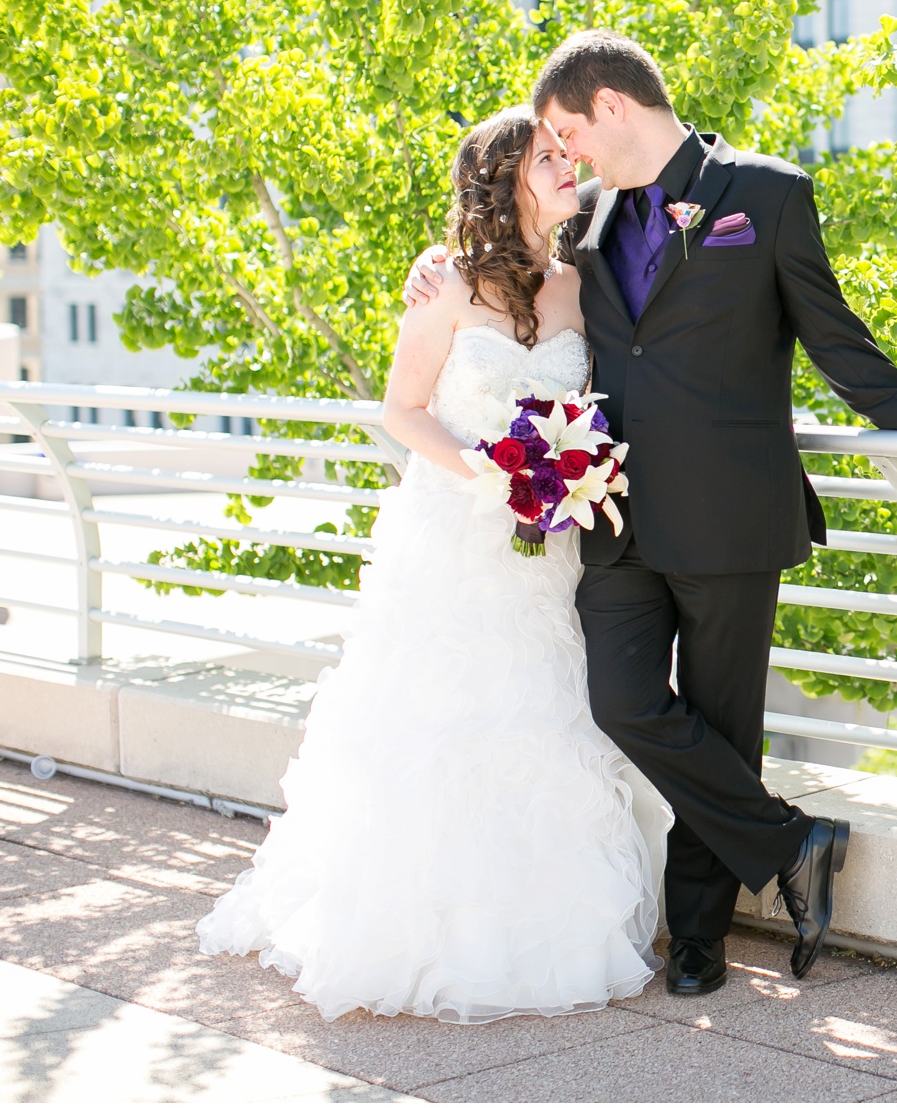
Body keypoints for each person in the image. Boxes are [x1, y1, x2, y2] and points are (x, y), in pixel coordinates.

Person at [402, 29, 897, 996]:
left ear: (611, 108)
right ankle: (794, 842)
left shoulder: (769, 194)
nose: (566, 155)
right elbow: (508, 271)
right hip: (609, 516)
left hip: (732, 510)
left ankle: (700, 938)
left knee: (721, 719)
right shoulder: (581, 228)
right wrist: (433, 263)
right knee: (621, 702)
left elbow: (835, 337)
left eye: (566, 133)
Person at [197, 108, 674, 1022]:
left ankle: (557, 924)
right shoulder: (446, 286)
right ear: (506, 180)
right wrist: (494, 478)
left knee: (556, 721)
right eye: (547, 159)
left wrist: (569, 473)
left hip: (555, 554)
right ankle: (431, 933)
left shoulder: (583, 283)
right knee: (446, 729)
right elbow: (403, 411)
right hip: (457, 540)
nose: (568, 166)